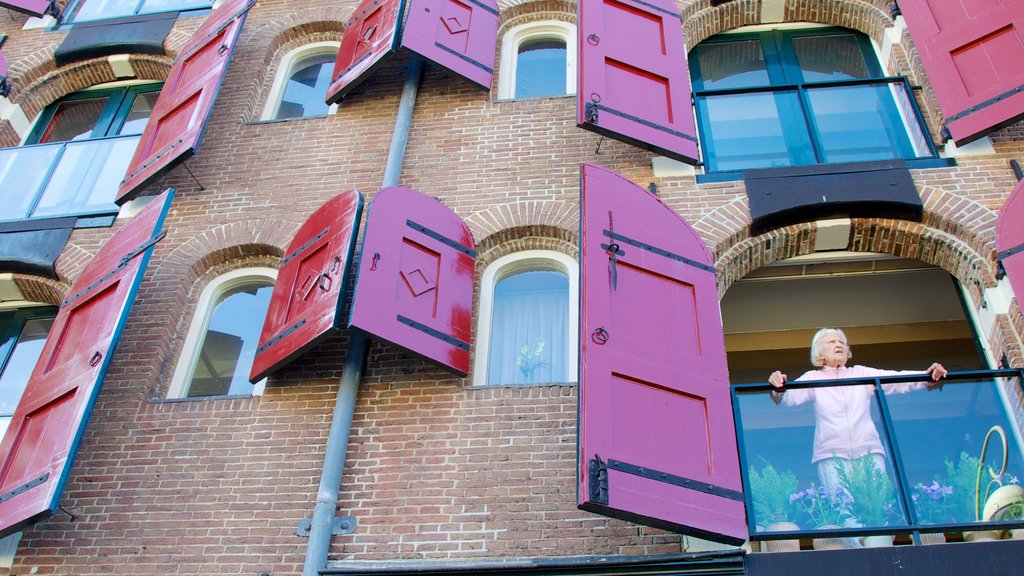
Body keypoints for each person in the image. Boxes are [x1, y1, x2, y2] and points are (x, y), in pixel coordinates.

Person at [768, 328, 947, 545]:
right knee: (845, 511)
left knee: (877, 508)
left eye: (842, 342)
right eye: (831, 342)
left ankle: (880, 551)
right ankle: (859, 555)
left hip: (869, 450)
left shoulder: (860, 373)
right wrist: (777, 386)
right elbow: (789, 398)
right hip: (831, 453)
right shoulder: (813, 378)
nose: (839, 345)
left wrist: (927, 377)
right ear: (820, 354)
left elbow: (896, 379)